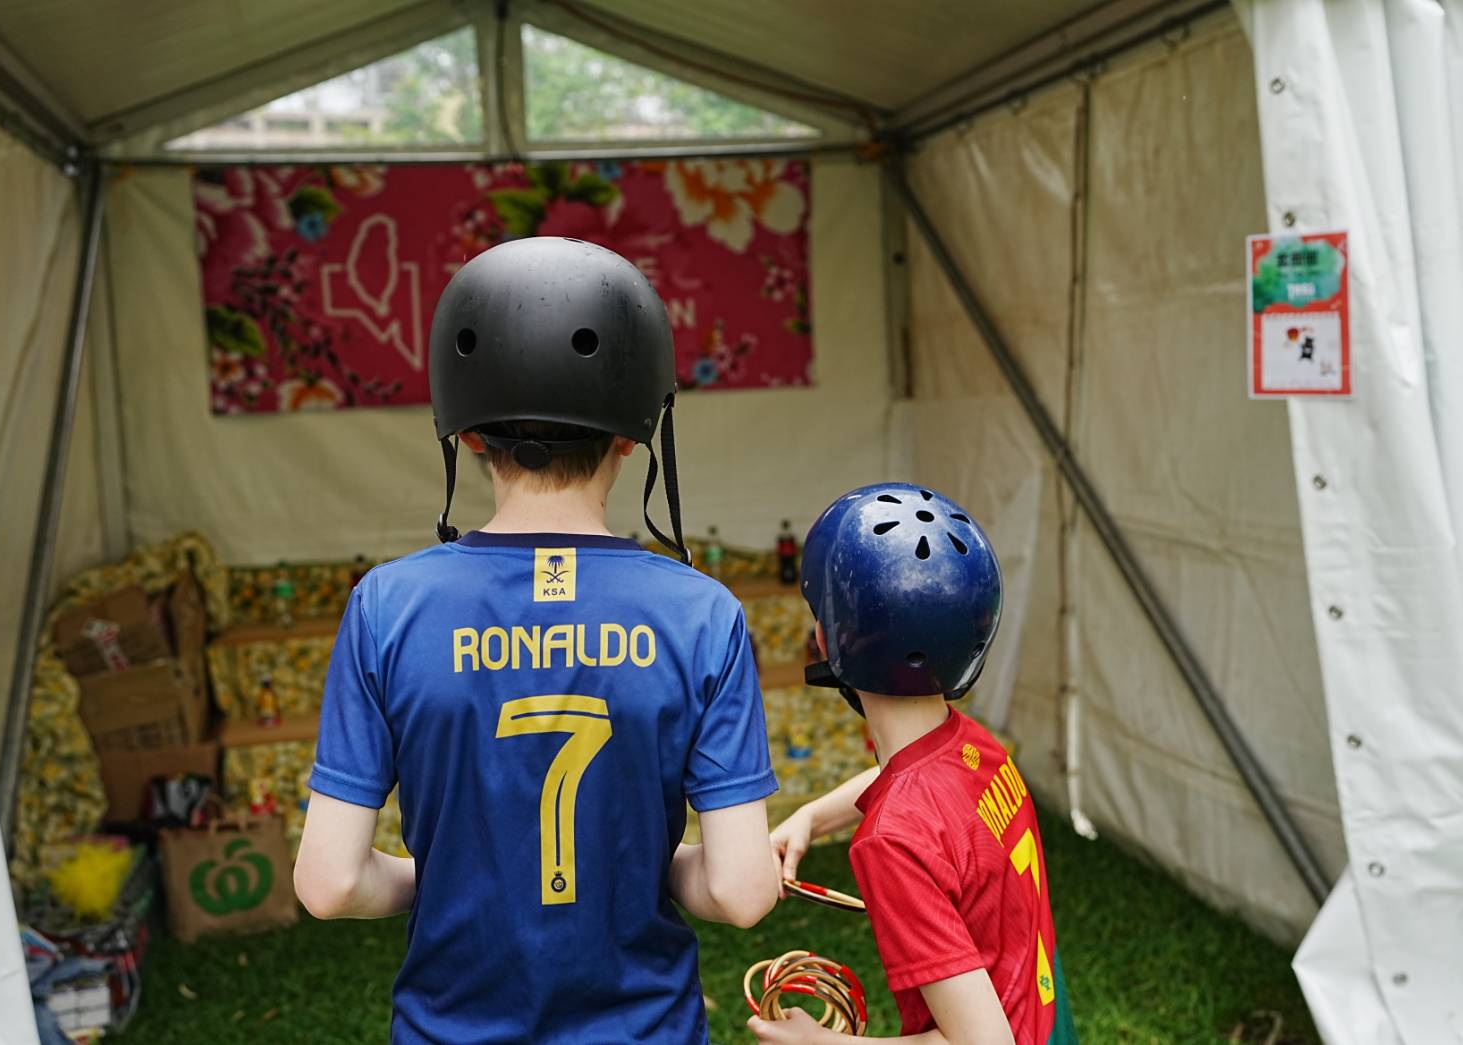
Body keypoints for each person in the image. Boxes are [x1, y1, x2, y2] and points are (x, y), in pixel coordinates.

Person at [293, 237, 780, 1043]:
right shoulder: (702, 614)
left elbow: (329, 883)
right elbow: (740, 892)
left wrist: (443, 873)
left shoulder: (386, 606)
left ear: (467, 433)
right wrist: (627, 861)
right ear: (632, 434)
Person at [750, 484, 1077, 1045]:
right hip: (1048, 1020)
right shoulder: (973, 745)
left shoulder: (889, 843)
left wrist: (821, 1042)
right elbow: (909, 781)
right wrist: (811, 818)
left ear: (827, 640)